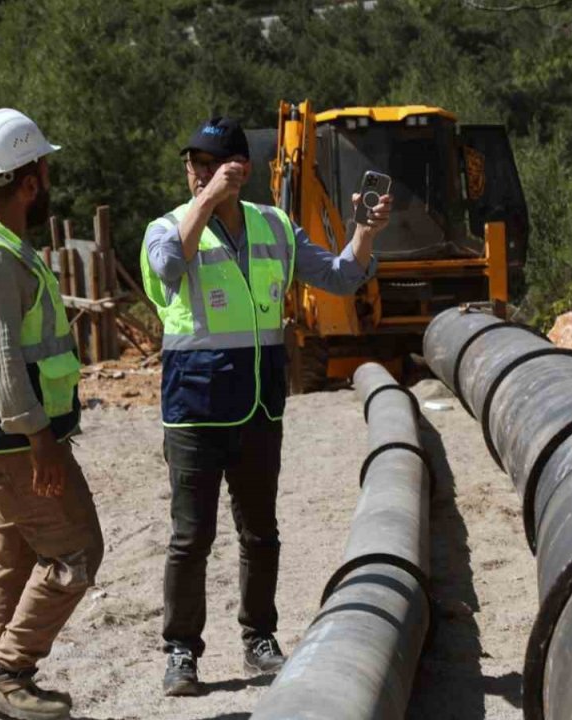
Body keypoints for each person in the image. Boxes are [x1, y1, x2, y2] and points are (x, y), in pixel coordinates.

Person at [140, 116, 392, 696]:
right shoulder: (167, 227)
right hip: (194, 409)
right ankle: (181, 651)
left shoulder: (274, 226)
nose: (197, 174)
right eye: (192, 165)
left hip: (258, 406)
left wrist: (365, 233)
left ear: (242, 169)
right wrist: (203, 202)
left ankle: (259, 638)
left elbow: (340, 276)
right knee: (190, 538)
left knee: (260, 533)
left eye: (211, 165)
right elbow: (168, 271)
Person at [0, 108, 104, 720]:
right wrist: (41, 441)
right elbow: (0, 363)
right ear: (29, 179)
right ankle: (9, 674)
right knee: (76, 553)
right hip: (14, 439)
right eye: (45, 166)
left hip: (3, 436)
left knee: (13, 554)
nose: (49, 176)